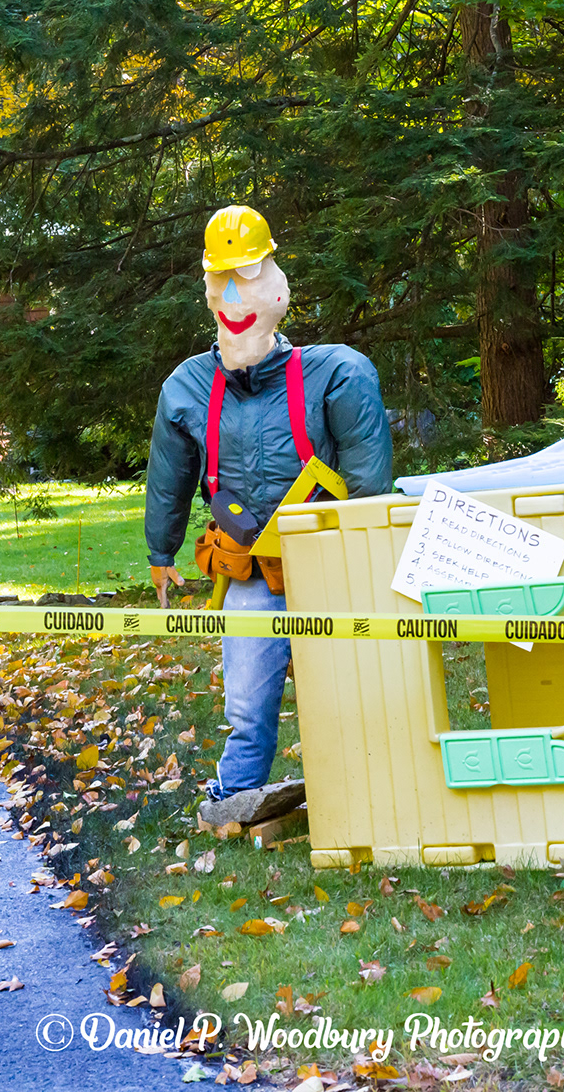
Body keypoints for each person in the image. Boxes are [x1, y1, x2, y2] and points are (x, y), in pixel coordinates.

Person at [144, 205, 393, 826]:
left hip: (331, 565)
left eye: (247, 280)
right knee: (249, 700)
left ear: (275, 288)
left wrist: (373, 554)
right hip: (252, 571)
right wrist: (160, 552)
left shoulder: (335, 372)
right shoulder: (189, 386)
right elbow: (169, 476)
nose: (235, 297)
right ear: (209, 292)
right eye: (222, 282)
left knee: (349, 687)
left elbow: (368, 482)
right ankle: (235, 799)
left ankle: (371, 793)